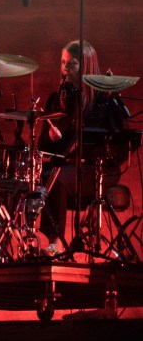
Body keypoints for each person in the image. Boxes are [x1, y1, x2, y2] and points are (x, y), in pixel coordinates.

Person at [37, 40, 129, 255]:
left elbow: (122, 143)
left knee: (55, 178)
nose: (65, 68)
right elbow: (42, 146)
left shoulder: (104, 98)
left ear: (86, 65)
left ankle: (54, 242)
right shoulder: (57, 99)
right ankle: (37, 239)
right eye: (62, 62)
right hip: (68, 168)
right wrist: (51, 138)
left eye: (72, 63)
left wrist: (96, 155)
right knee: (45, 176)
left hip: (99, 169)